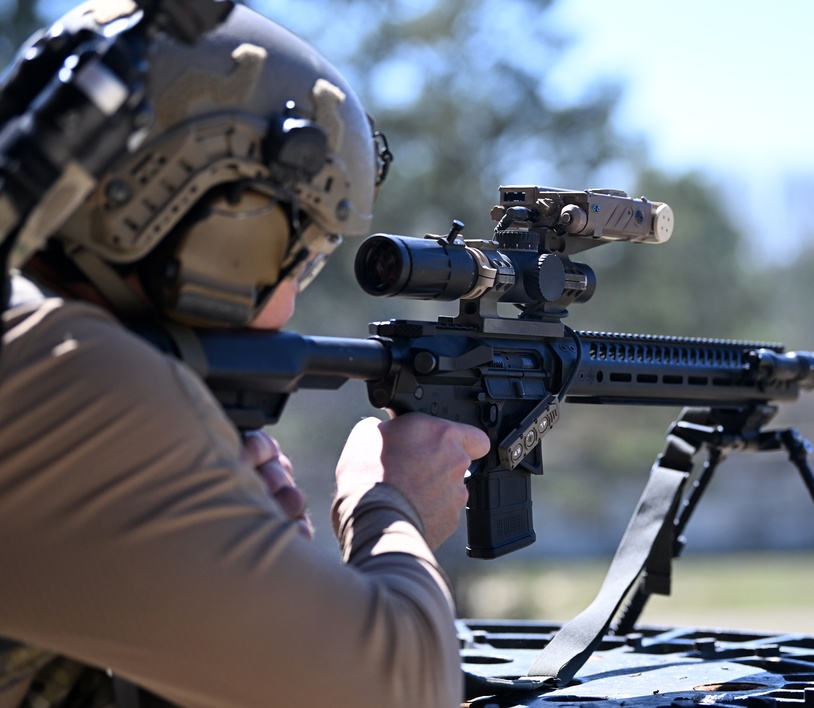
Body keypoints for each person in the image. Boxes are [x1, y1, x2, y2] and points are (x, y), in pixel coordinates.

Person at [0, 1, 490, 706]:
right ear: (219, 238)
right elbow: (396, 691)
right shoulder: (60, 374)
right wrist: (389, 504)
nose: (292, 299)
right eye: (302, 259)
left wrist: (238, 548)